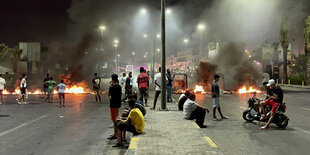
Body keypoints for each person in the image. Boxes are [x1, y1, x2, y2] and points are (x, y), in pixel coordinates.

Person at [108, 74, 122, 139]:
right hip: (118, 104)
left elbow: (109, 95)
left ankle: (116, 134)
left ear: (112, 79)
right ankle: (116, 133)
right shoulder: (119, 86)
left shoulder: (112, 87)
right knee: (116, 119)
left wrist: (110, 86)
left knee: (114, 120)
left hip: (113, 104)